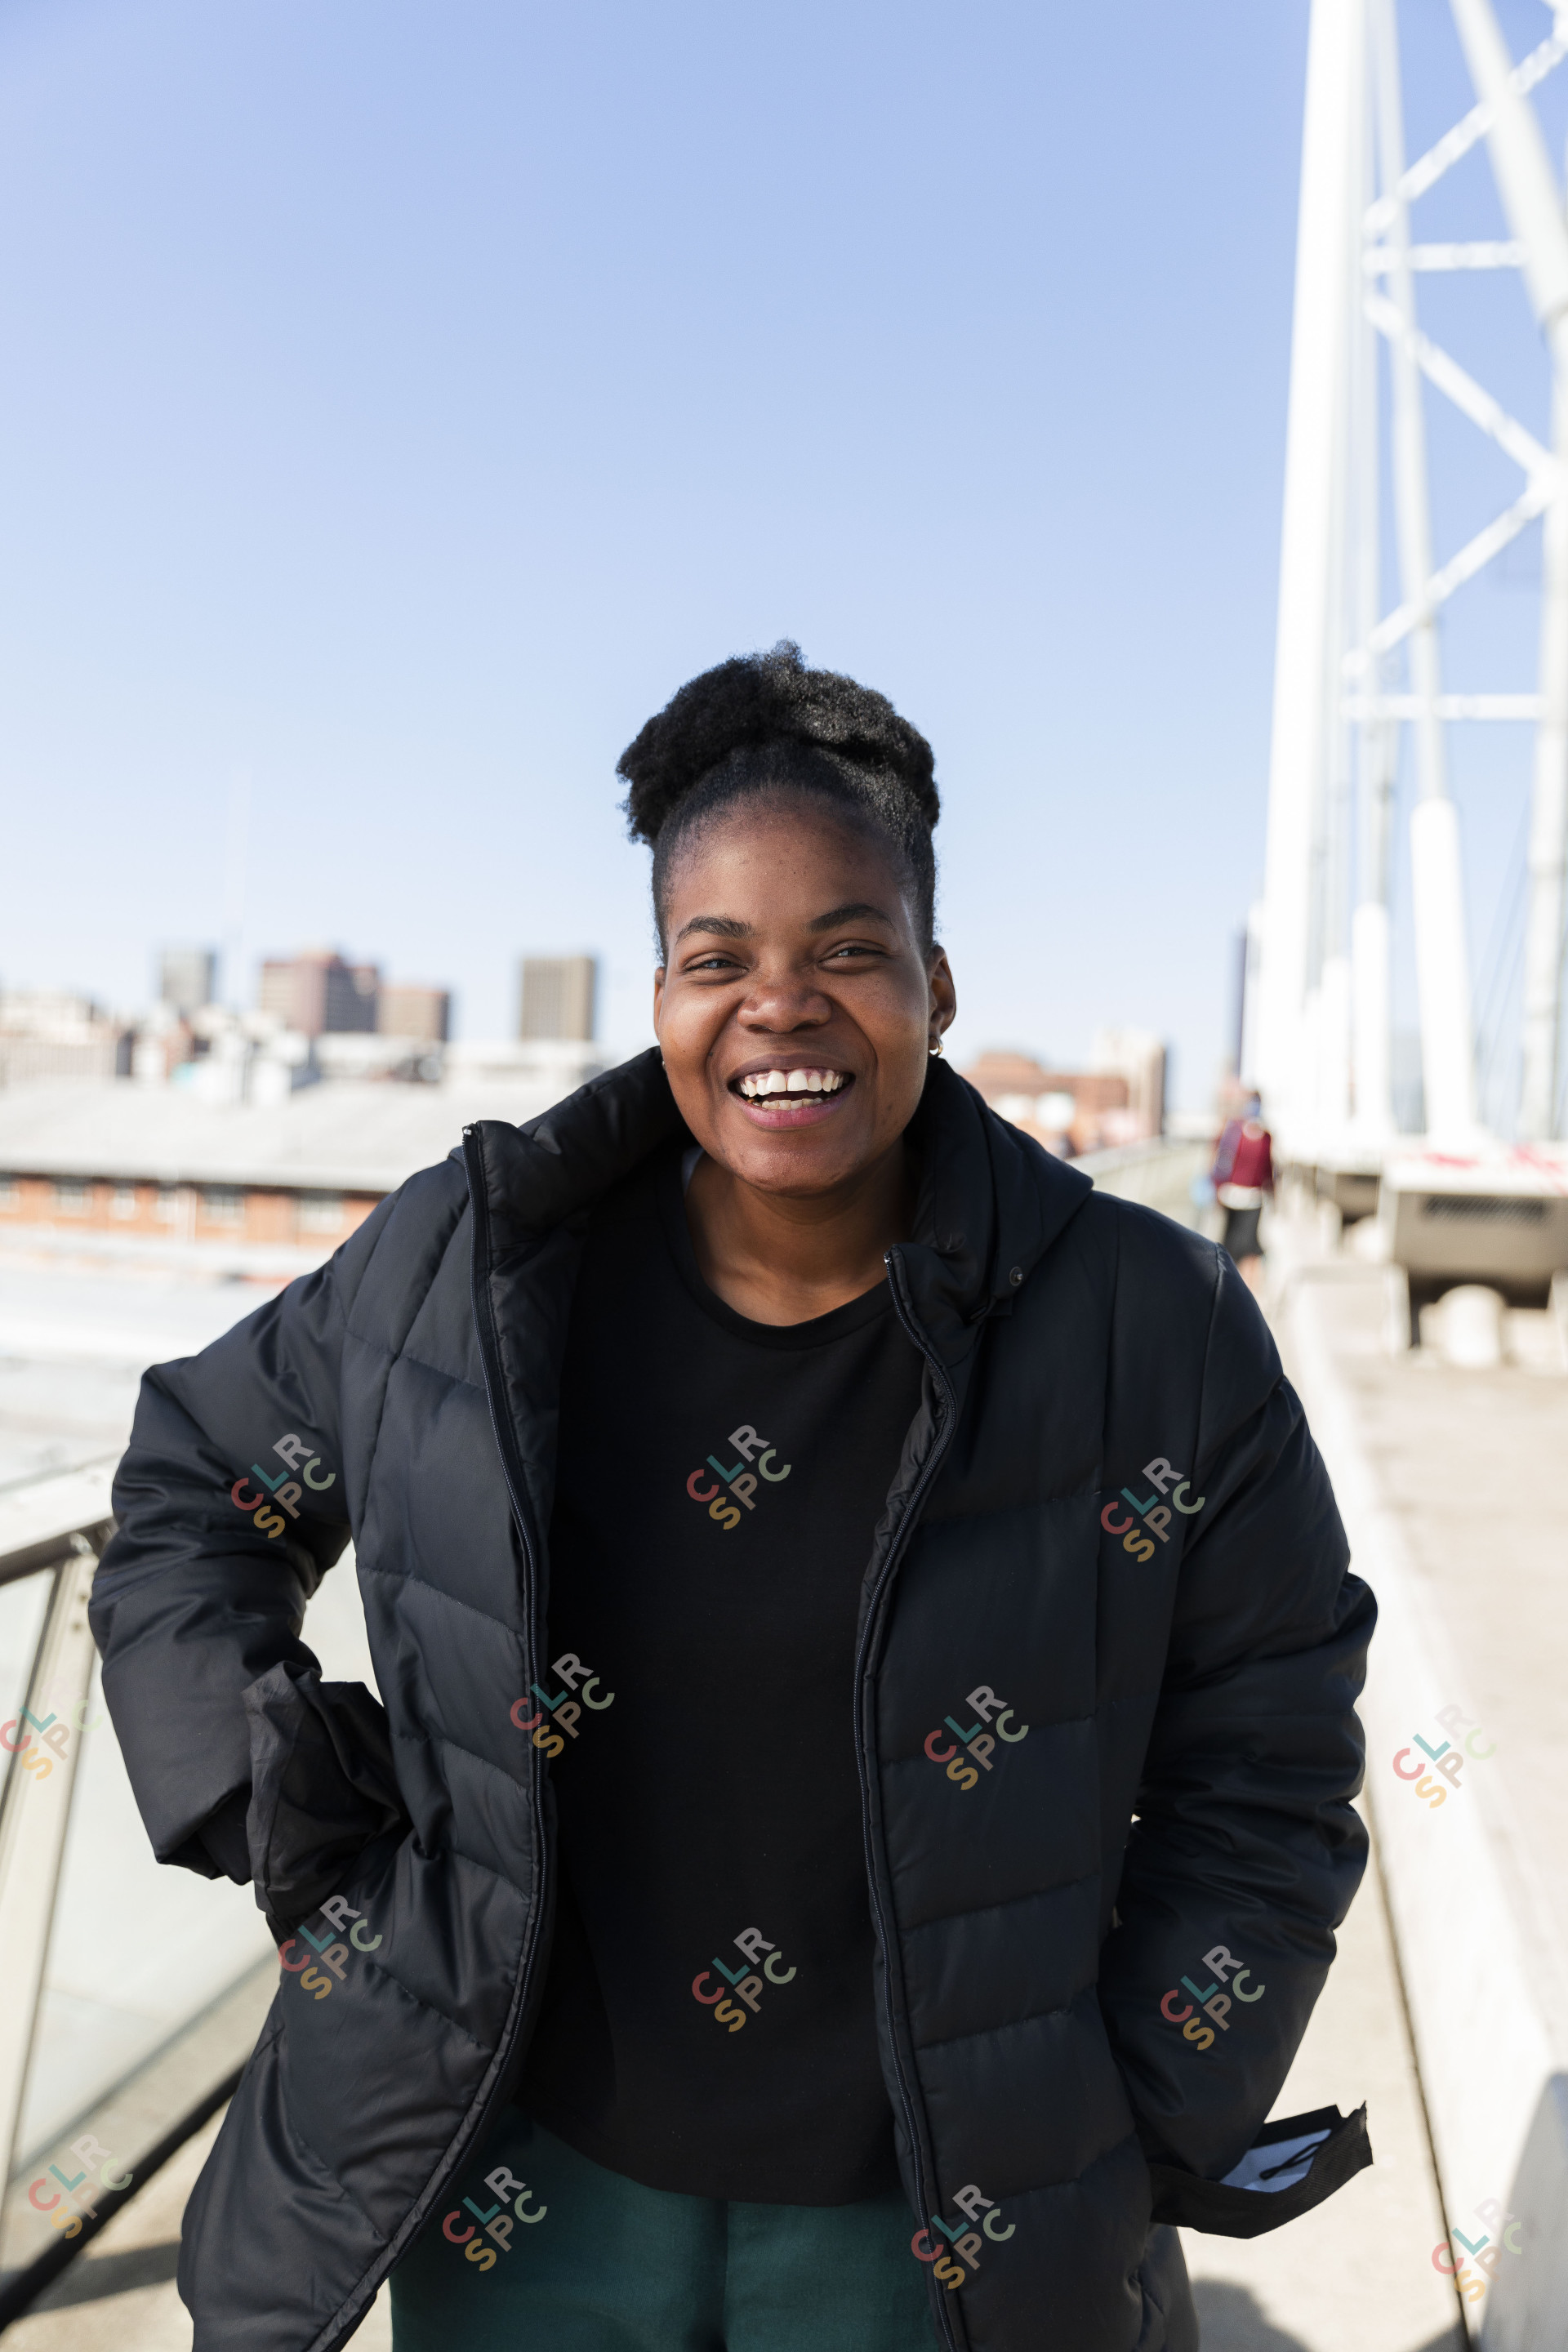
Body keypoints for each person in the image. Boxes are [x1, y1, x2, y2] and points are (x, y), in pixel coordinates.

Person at [91, 645, 1374, 2352]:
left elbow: (1271, 1760)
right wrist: (290, 1838)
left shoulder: (1152, 1320)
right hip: (521, 2196)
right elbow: (197, 1485)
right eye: (722, 959)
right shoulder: (472, 1267)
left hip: (938, 2235)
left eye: (850, 949)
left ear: (937, 980)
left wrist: (1133, 2118)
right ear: (662, 998)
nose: (783, 1006)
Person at [1210, 1092, 1274, 1298]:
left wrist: (1273, 1193)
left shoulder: (1266, 1137)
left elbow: (1268, 1169)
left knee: (1251, 1249)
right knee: (1229, 1247)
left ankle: (1250, 1296)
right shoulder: (1233, 1131)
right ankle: (1226, 1291)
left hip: (1254, 1200)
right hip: (1231, 1198)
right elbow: (1220, 1157)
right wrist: (1216, 1187)